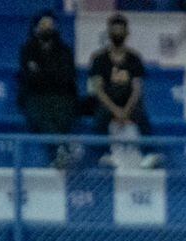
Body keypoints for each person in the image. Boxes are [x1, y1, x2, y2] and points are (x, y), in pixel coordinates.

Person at [88, 14, 162, 169]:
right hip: (108, 102)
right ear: (109, 33)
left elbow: (137, 89)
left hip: (128, 101)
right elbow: (98, 90)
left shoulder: (134, 58)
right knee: (100, 115)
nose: (117, 33)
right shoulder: (99, 59)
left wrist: (126, 110)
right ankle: (103, 154)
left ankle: (148, 153)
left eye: (120, 30)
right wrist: (115, 110)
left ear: (127, 33)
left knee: (141, 114)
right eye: (114, 30)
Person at [17, 12, 80, 169]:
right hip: (35, 96)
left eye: (50, 25)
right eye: (43, 25)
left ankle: (60, 151)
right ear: (36, 28)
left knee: (62, 113)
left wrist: (41, 72)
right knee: (39, 114)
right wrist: (51, 74)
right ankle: (61, 147)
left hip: (62, 95)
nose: (47, 28)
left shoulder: (65, 51)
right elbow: (29, 78)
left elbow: (67, 77)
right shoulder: (28, 50)